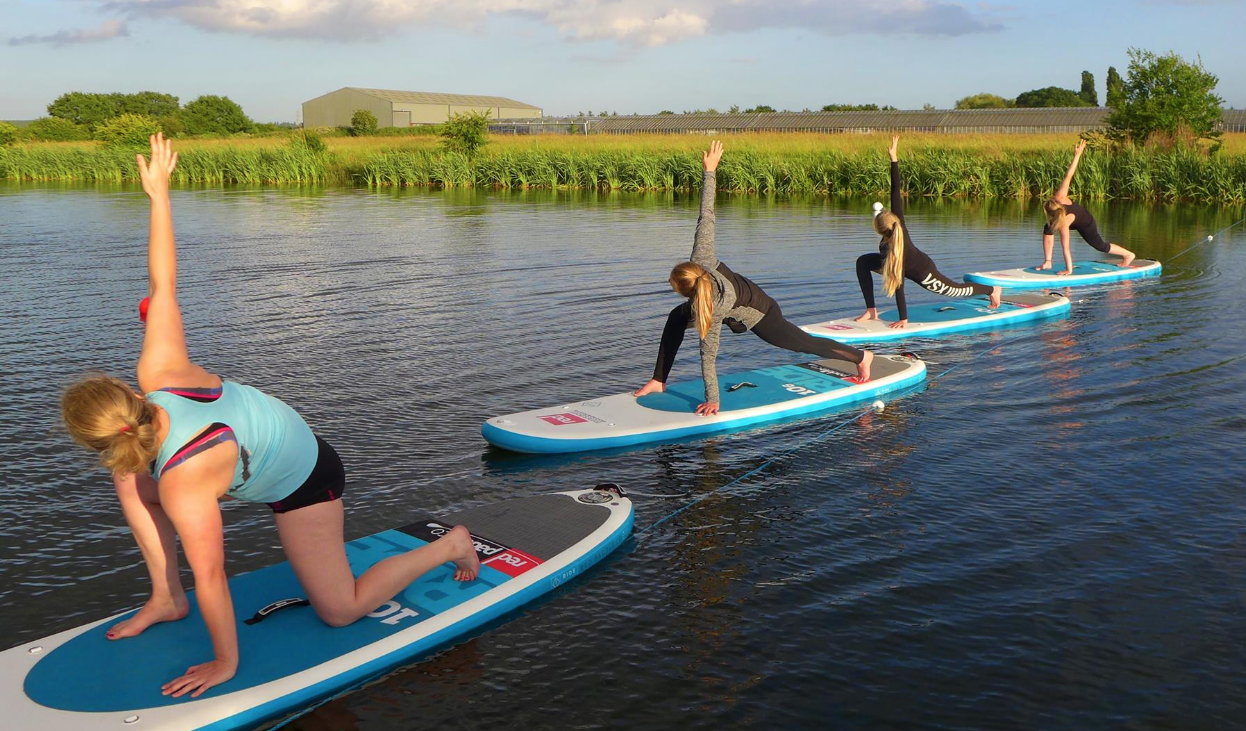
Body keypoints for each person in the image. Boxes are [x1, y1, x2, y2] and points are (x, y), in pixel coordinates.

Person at [59, 134, 480, 700]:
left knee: (342, 610)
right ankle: (165, 597)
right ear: (121, 390)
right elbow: (163, 283)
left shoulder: (183, 481)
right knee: (130, 480)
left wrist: (224, 664)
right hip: (244, 453)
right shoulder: (158, 368)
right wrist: (158, 194)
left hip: (306, 476)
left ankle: (449, 544)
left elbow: (214, 575)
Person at [633, 140, 874, 416]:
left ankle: (861, 357)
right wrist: (709, 171)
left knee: (800, 343)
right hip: (732, 299)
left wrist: (714, 400)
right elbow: (706, 216)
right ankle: (658, 380)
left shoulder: (711, 306)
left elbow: (708, 355)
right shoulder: (702, 257)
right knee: (676, 318)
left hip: (762, 311)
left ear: (687, 290)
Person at [855, 135, 1002, 329]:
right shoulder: (896, 224)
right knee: (863, 262)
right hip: (899, 264)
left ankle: (992, 289)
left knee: (956, 291)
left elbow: (899, 287)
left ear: (878, 228)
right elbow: (895, 192)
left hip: (923, 271)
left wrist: (903, 319)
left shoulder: (900, 247)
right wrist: (894, 159)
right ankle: (871, 310)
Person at [1039, 139, 1136, 274]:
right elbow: (1069, 175)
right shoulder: (1059, 196)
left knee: (1099, 246)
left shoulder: (1063, 224)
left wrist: (1068, 270)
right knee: (1047, 228)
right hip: (1069, 217)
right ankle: (1047, 262)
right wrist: (1077, 155)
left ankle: (1128, 255)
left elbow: (1066, 248)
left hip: (1085, 222)